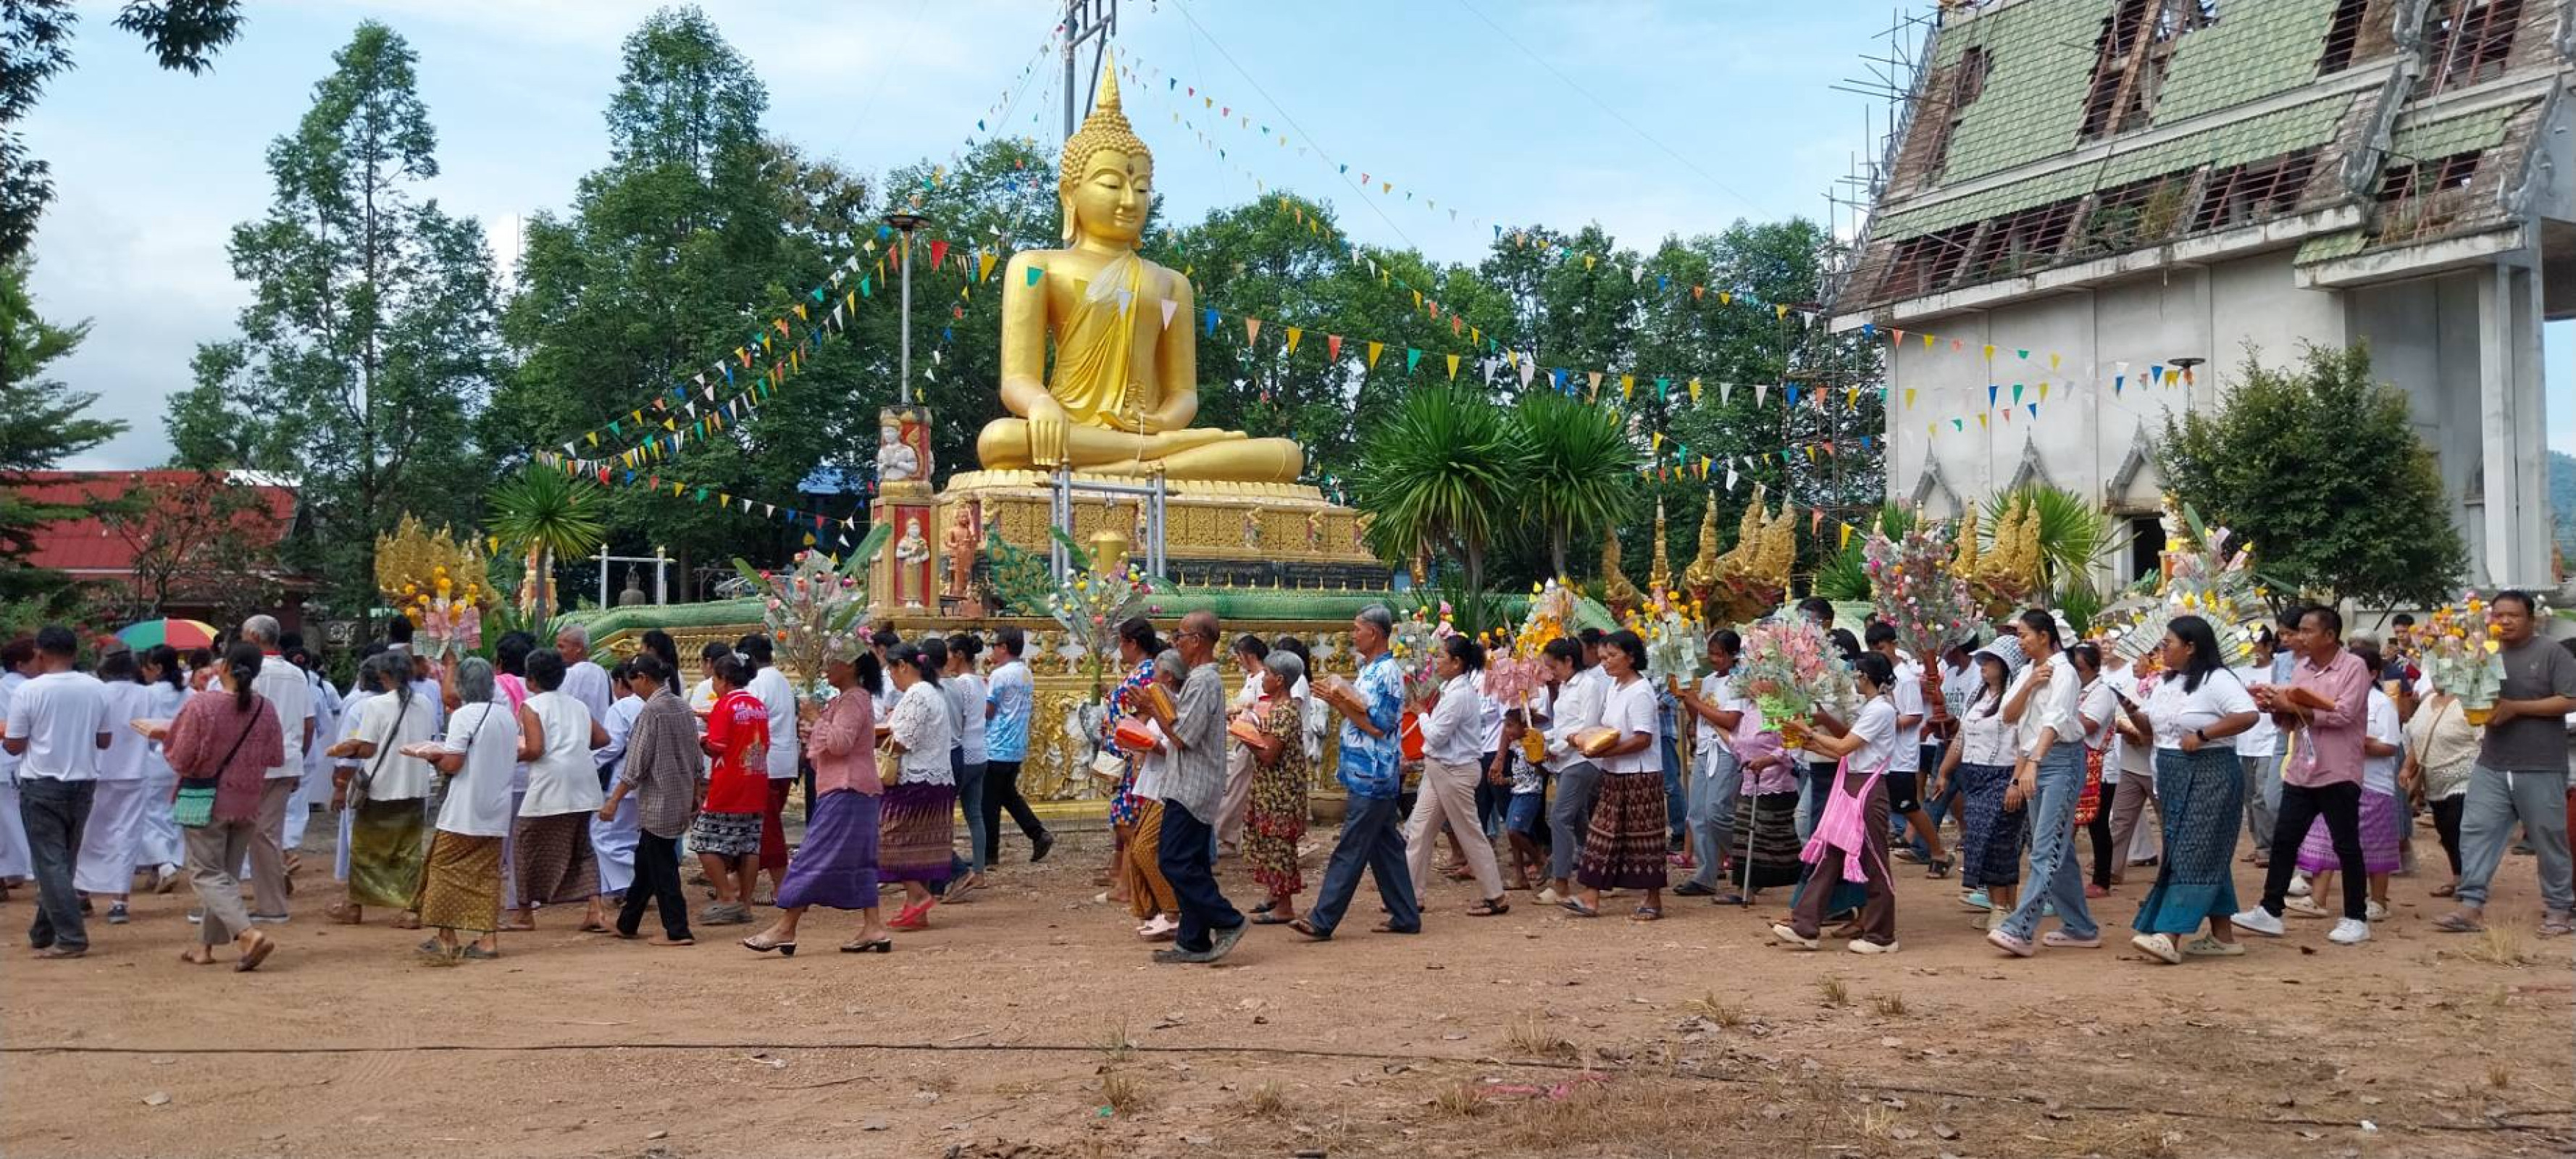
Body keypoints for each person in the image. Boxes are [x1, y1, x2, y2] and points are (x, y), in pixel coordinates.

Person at [2433, 591, 2576, 936]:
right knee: (2476, 831)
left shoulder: (2551, 653)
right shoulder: (2479, 653)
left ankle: (2559, 909)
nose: (2505, 622)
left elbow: (2570, 700)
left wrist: (2517, 708)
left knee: (2548, 838)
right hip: (2493, 762)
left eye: (2513, 615)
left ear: (2532, 619)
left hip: (2541, 763)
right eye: (2498, 615)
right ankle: (2471, 906)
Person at [2235, 606, 2376, 946]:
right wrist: (2274, 708)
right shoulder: (2301, 668)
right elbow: (2291, 722)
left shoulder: (2353, 667)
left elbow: (2344, 714)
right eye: (2299, 630)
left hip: (2339, 769)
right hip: (2303, 768)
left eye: (2308, 631)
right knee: (2284, 840)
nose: (2300, 637)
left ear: (2330, 636)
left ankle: (2356, 916)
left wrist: (2295, 708)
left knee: (2346, 844)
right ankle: (2270, 911)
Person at [2123, 616, 2260, 965]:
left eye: (2168, 643)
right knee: (2201, 849)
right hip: (2172, 773)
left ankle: (2169, 934)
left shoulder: (2217, 680)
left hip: (2210, 773)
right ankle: (2223, 935)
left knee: (2193, 849)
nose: (2161, 650)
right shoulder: (2167, 682)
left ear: (2191, 646)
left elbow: (2248, 714)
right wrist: (2131, 711)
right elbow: (2150, 730)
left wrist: (2202, 736)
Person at [743, 650, 891, 955]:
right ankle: (873, 925)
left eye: (832, 661)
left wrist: (814, 720)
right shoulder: (846, 699)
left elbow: (839, 744)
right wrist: (814, 728)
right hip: (854, 788)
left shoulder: (852, 700)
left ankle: (786, 927)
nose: (826, 667)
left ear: (849, 665)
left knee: (812, 856)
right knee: (859, 860)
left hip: (846, 788)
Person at [1291, 604, 1418, 940]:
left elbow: (1379, 726)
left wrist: (1337, 702)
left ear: (1373, 633)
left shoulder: (1387, 673)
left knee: (1351, 847)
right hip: (1367, 771)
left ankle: (1323, 919)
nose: (1352, 635)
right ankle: (1405, 914)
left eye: (1357, 629)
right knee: (1384, 846)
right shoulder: (1370, 669)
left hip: (1374, 773)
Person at [162, 642, 285, 969]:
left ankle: (247, 934)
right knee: (224, 875)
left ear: (225, 666)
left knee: (206, 874)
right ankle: (204, 947)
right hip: (247, 798)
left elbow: (181, 756)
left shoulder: (202, 705)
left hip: (206, 798)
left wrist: (164, 736)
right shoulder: (265, 708)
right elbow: (275, 756)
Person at [1773, 650, 1904, 953]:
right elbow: (1848, 753)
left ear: (1866, 677)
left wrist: (1809, 731)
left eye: (1856, 674)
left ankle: (1882, 935)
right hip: (1852, 783)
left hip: (1868, 789)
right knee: (1830, 854)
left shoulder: (1880, 710)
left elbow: (1846, 745)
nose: (1853, 680)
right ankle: (1805, 925)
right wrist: (1812, 741)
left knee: (1874, 859)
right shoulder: (1873, 708)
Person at [1988, 610, 2101, 956]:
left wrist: (2033, 763)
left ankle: (2022, 927)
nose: (2020, 641)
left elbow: (2054, 722)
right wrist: (2030, 683)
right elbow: (2008, 715)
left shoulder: (2065, 672)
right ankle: (2081, 927)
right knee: (2056, 846)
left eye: (2023, 635)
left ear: (2043, 636)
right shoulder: (2027, 671)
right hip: (2037, 759)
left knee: (2044, 847)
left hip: (2061, 760)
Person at [4, 627, 112, 957]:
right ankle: (44, 930)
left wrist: (8, 734)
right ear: (75, 652)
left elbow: (14, 745)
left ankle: (70, 937)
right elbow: (104, 740)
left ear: (39, 652)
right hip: (83, 782)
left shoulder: (30, 691)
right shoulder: (97, 688)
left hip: (42, 782)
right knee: (62, 859)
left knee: (50, 863)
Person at [1149, 609, 1247, 964]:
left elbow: (1183, 736)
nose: (1177, 642)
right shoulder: (1200, 680)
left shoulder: (1204, 681)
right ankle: (1193, 940)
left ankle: (1228, 918)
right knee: (1191, 862)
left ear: (1198, 641)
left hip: (1192, 783)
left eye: (1181, 636)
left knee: (1174, 861)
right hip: (1190, 781)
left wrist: (1154, 708)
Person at [2289, 645, 2403, 923]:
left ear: (2373, 673)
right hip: (2335, 777)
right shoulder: (2329, 698)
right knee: (2327, 835)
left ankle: (2377, 901)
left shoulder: (2382, 703)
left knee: (2372, 843)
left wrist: (2353, 742)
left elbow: (2390, 746)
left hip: (2374, 784)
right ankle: (2318, 899)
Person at [323, 652, 435, 926]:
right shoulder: (425, 703)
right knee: (407, 851)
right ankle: (409, 909)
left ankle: (354, 905)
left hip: (381, 785)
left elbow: (369, 747)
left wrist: (345, 749)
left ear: (384, 677)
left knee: (366, 850)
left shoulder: (376, 705)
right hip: (415, 785)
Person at [419, 658, 522, 962]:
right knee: (487, 874)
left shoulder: (464, 716)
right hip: (497, 807)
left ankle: (447, 936)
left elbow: (453, 763)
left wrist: (431, 757)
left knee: (443, 869)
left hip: (465, 808)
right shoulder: (507, 716)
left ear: (462, 686)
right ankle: (488, 939)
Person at [1404, 635, 1509, 916]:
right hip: (1440, 768)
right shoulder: (1452, 689)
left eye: (1441, 657)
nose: (1436, 661)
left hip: (1455, 770)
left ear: (1457, 662)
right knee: (1419, 830)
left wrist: (1421, 714)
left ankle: (1495, 895)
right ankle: (1409, 895)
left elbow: (1437, 736)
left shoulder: (1459, 695)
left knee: (1469, 832)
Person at [597, 655, 697, 947]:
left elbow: (636, 764)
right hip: (680, 791)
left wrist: (613, 801)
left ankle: (678, 929)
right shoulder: (681, 706)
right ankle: (628, 923)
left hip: (658, 798)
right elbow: (694, 754)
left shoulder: (651, 711)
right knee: (647, 861)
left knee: (662, 865)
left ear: (643, 678)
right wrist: (696, 792)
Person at [1568, 629, 1667, 921]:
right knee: (1602, 832)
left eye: (1612, 656)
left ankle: (1653, 898)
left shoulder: (1640, 692)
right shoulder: (1615, 688)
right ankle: (1590, 897)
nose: (1606, 663)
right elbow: (1607, 728)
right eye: (1603, 658)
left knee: (1643, 837)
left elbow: (1642, 739)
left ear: (1631, 657)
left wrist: (1603, 753)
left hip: (1640, 775)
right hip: (1614, 772)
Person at [509, 649, 609, 932]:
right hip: (583, 777)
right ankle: (595, 908)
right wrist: (573, 746)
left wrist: (512, 754)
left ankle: (525, 912)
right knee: (582, 846)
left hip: (552, 779)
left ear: (530, 680)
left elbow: (536, 748)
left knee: (525, 841)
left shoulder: (532, 706)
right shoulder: (577, 705)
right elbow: (602, 738)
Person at [1941, 638, 2025, 926]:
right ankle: (2003, 908)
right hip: (1974, 775)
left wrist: (2015, 782)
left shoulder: (2015, 699)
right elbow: (1962, 737)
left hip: (2002, 774)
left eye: (1988, 662)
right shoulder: (1977, 697)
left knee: (1998, 842)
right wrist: (1944, 771)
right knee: (1983, 841)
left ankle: (2002, 908)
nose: (1982, 667)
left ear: (2004, 666)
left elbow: (2024, 744)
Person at [238, 615, 313, 925]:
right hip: (288, 760)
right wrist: (299, 760)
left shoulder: (249, 674)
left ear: (254, 637)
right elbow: (309, 723)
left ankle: (269, 904)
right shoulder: (297, 675)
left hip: (253, 762)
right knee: (267, 833)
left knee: (254, 834)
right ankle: (270, 894)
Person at [73, 650, 155, 924]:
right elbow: (155, 736)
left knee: (88, 833)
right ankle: (119, 902)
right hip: (134, 772)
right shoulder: (147, 695)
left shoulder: (96, 693)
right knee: (127, 834)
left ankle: (82, 893)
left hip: (96, 770)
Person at [879, 643, 956, 931]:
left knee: (889, 840)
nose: (892, 677)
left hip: (915, 778)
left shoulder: (917, 695)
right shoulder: (932, 692)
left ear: (903, 667)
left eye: (891, 670)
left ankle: (919, 895)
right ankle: (915, 907)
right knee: (921, 846)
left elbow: (902, 740)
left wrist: (878, 740)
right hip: (935, 776)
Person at [1865, 624, 1952, 878]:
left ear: (1893, 644)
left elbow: (1913, 717)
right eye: (1874, 649)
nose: (1879, 653)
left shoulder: (1905, 679)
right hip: (1883, 755)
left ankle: (1937, 852)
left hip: (1901, 756)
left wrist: (1879, 723)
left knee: (1909, 807)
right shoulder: (1882, 676)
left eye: (1882, 648)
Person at [693, 654, 769, 926]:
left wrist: (700, 740)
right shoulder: (757, 705)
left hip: (729, 783)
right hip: (756, 781)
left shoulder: (725, 705)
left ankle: (727, 896)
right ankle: (745, 903)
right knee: (749, 844)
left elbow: (717, 746)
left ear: (724, 679)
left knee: (702, 838)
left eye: (714, 678)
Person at [1536, 635, 1608, 905]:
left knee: (1559, 817)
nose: (1552, 673)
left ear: (1569, 661)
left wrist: (1555, 746)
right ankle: (1599, 873)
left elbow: (1587, 726)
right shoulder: (1566, 687)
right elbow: (1564, 725)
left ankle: (1562, 882)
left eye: (1554, 666)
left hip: (1582, 759)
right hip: (1566, 759)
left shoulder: (1588, 685)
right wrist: (1542, 740)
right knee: (1578, 823)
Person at [1240, 649, 1311, 924]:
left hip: (1280, 792)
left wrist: (1245, 734)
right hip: (1273, 789)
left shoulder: (1284, 712)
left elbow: (1268, 755)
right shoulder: (1277, 709)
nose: (1263, 679)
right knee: (1270, 844)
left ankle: (1284, 906)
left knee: (1280, 846)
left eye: (1267, 674)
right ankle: (1275, 895)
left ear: (1280, 680)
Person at [1675, 629, 1746, 898]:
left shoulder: (1740, 682)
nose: (1714, 659)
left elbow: (1730, 720)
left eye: (1719, 654)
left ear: (1732, 655)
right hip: (1706, 748)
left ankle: (1744, 857)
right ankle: (1706, 873)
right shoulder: (1707, 681)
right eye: (1711, 653)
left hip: (1727, 749)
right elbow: (1698, 719)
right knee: (1697, 813)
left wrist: (1696, 702)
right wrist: (1688, 699)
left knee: (1717, 810)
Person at [2399, 674, 2481, 898]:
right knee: (2445, 829)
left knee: (2457, 825)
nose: (2438, 678)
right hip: (2434, 778)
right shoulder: (2428, 702)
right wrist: (2407, 768)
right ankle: (2458, 876)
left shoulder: (2470, 701)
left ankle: (2472, 882)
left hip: (2465, 775)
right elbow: (2419, 739)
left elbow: (2483, 739)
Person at [979, 627, 1053, 866]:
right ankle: (1037, 833)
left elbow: (989, 711)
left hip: (996, 744)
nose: (993, 651)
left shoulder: (1000, 675)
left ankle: (990, 853)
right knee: (1007, 795)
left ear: (1004, 648)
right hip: (1016, 744)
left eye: (995, 646)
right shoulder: (1025, 673)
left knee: (989, 801)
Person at [735, 635, 800, 906]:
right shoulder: (780, 680)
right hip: (782, 762)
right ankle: (740, 883)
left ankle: (782, 887)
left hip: (767, 764)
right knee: (761, 827)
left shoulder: (759, 683)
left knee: (767, 828)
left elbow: (745, 717)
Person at [129, 645, 191, 896]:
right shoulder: (192, 694)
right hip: (182, 761)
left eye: (147, 667)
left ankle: (164, 865)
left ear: (158, 668)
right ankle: (165, 865)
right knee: (172, 815)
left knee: (145, 817)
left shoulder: (147, 694)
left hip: (153, 760)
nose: (144, 671)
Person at [590, 660, 646, 908]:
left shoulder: (622, 707)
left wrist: (589, 763)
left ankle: (632, 885)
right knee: (630, 835)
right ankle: (630, 886)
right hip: (647, 782)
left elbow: (612, 745)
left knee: (603, 835)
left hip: (621, 780)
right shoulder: (655, 704)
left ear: (621, 683)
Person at [942, 632, 990, 900]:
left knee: (943, 815)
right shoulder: (980, 681)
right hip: (980, 751)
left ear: (959, 655)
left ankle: (951, 871)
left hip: (962, 753)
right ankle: (979, 871)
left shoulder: (960, 684)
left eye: (949, 653)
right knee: (974, 815)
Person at [1216, 634, 1272, 855]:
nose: (1238, 661)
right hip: (1243, 737)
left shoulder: (1262, 679)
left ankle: (1226, 837)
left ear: (1248, 656)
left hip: (1253, 739)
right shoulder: (1251, 678)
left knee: (1237, 788)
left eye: (1239, 656)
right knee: (1239, 788)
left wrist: (1242, 715)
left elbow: (1262, 711)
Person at [2235, 629, 2283, 866]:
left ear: (2268, 646)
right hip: (2244, 742)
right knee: (2248, 797)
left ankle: (2269, 846)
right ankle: (2260, 842)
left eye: (2254, 644)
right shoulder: (2237, 673)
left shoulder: (2277, 670)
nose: (2250, 649)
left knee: (2263, 796)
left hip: (2270, 741)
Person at [0, 638, 39, 900]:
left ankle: (8, 873)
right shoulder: (29, 689)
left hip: (7, 760)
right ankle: (27, 872)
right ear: (21, 664)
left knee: (6, 823)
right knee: (25, 822)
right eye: (37, 658)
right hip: (19, 760)